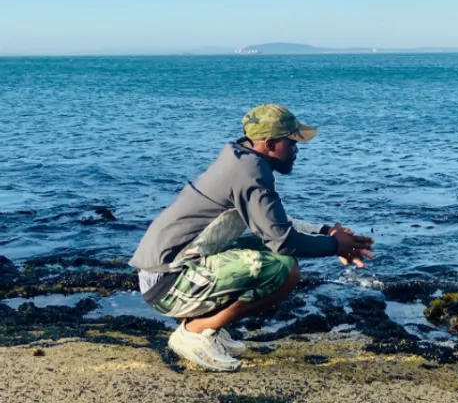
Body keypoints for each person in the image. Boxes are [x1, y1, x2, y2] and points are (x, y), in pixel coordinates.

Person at [130, 103, 374, 372]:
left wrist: (326, 232)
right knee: (284, 269)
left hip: (166, 271)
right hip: (167, 283)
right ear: (270, 144)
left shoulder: (242, 161)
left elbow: (274, 226)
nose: (296, 149)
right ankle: (196, 331)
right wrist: (335, 245)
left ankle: (207, 326)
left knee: (273, 255)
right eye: (292, 142)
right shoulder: (251, 174)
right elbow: (284, 241)